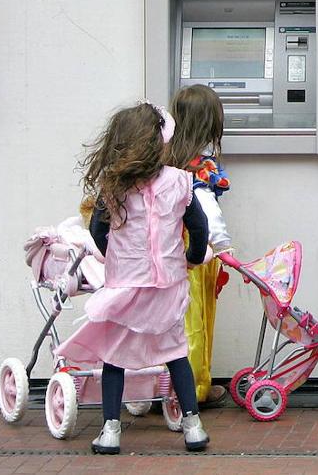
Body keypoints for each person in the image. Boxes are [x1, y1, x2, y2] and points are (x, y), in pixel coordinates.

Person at [57, 102, 212, 453]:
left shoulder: (113, 188)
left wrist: (114, 255)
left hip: (125, 287)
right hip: (168, 287)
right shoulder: (180, 181)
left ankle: (111, 430)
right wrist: (190, 258)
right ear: (159, 143)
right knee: (176, 353)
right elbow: (199, 228)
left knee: (114, 357)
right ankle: (193, 426)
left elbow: (98, 231)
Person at [166, 84, 236, 409]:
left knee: (166, 323)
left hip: (165, 252)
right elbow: (207, 211)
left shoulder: (166, 158)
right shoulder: (199, 167)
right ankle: (193, 390)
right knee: (193, 323)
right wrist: (224, 248)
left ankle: (161, 387)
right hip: (195, 254)